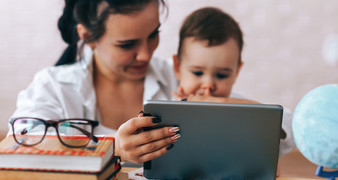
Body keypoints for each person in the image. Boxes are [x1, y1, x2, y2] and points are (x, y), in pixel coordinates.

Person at [10, 0, 181, 164]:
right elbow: (19, 146)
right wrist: (111, 147)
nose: (145, 55)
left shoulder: (182, 79)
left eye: (153, 35)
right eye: (127, 45)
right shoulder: (52, 86)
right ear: (88, 37)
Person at [171, 7, 295, 156]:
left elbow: (292, 125)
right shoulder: (165, 113)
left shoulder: (239, 107)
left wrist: (224, 104)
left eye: (222, 75)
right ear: (177, 67)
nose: (208, 85)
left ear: (236, 72)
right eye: (197, 73)